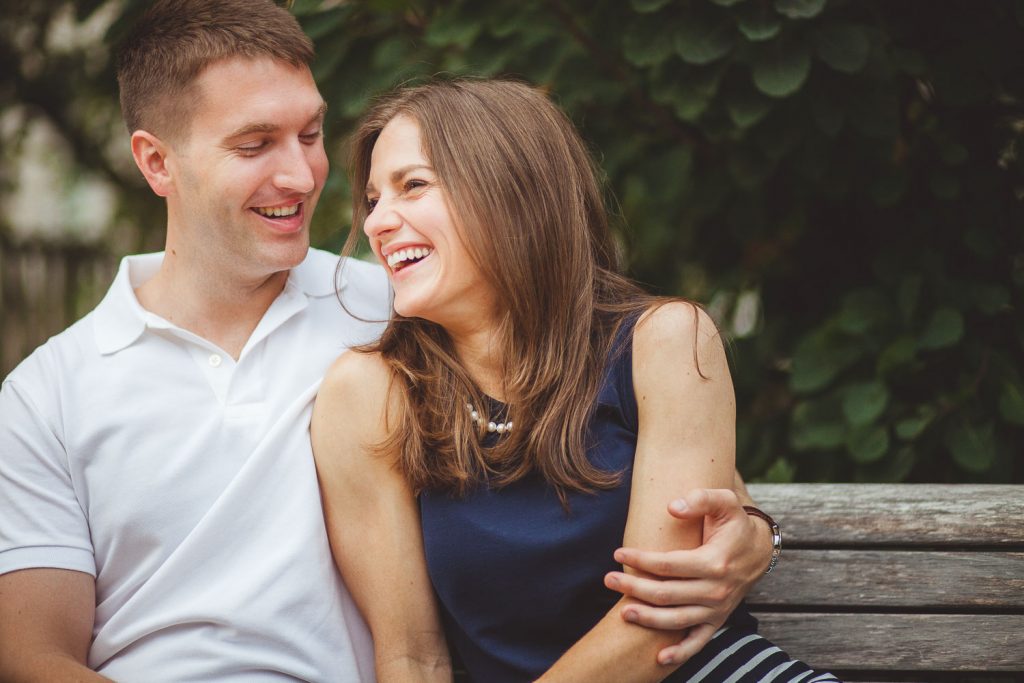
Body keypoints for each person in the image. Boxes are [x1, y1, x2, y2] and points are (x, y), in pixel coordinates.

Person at [0, 1, 775, 680]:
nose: (304, 175)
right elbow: (31, 654)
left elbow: (635, 415)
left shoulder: (403, 305)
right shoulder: (49, 392)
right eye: (254, 144)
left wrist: (750, 533)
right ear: (157, 161)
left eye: (310, 133)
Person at [312, 79, 839, 682]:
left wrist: (757, 532)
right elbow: (412, 656)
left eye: (413, 185)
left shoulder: (663, 341)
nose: (378, 222)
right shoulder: (372, 391)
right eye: (374, 199)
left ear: (512, 194)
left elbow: (655, 616)